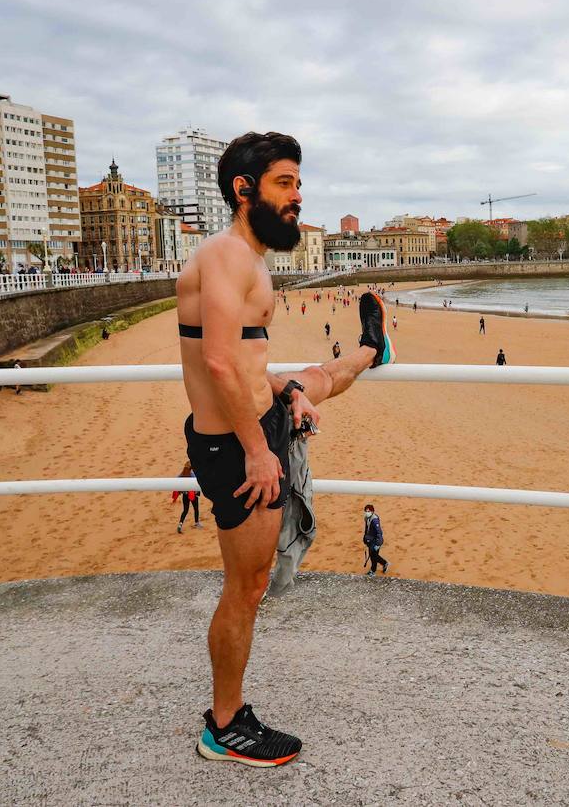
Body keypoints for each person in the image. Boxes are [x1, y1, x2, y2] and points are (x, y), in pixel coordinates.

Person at [177, 131, 394, 768]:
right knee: (246, 589)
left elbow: (241, 361)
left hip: (258, 416)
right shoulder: (224, 257)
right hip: (233, 446)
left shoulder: (249, 259)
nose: (298, 196)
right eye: (284, 184)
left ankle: (370, 345)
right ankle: (224, 725)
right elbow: (215, 362)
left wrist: (278, 392)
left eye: (299, 183)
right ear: (244, 191)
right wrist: (256, 450)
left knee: (319, 381)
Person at [173, 461, 202, 533]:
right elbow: (197, 484)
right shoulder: (192, 475)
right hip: (192, 495)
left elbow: (176, 481)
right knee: (196, 509)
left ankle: (180, 524)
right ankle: (196, 523)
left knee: (185, 510)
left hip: (185, 495)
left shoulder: (181, 475)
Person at [363, 504, 388, 575]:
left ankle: (373, 570)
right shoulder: (366, 518)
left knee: (373, 556)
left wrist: (378, 543)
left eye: (369, 511)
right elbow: (366, 529)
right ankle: (384, 564)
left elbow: (379, 532)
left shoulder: (375, 520)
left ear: (372, 511)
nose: (367, 512)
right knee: (373, 555)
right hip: (370, 540)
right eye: (366, 511)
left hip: (375, 541)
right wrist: (365, 537)